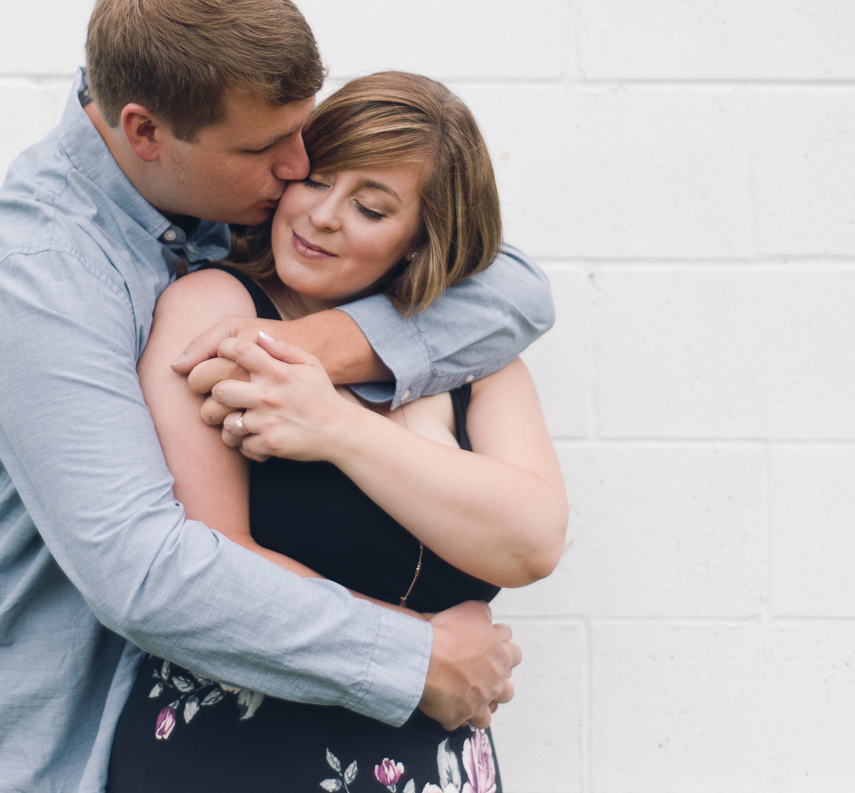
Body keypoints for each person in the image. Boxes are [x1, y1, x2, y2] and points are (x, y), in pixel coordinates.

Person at [0, 0, 555, 793]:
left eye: (301, 137)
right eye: (267, 150)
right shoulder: (43, 272)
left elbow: (516, 288)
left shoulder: (215, 204)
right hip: (15, 756)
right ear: (144, 132)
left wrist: (326, 350)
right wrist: (422, 657)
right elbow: (145, 571)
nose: (296, 172)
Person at [108, 72, 567, 793]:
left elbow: (531, 542)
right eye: (314, 180)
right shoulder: (218, 311)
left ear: (421, 240)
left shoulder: (478, 359)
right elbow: (209, 560)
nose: (322, 216)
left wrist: (336, 428)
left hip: (430, 767)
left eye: (371, 207)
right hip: (240, 757)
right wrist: (428, 653)